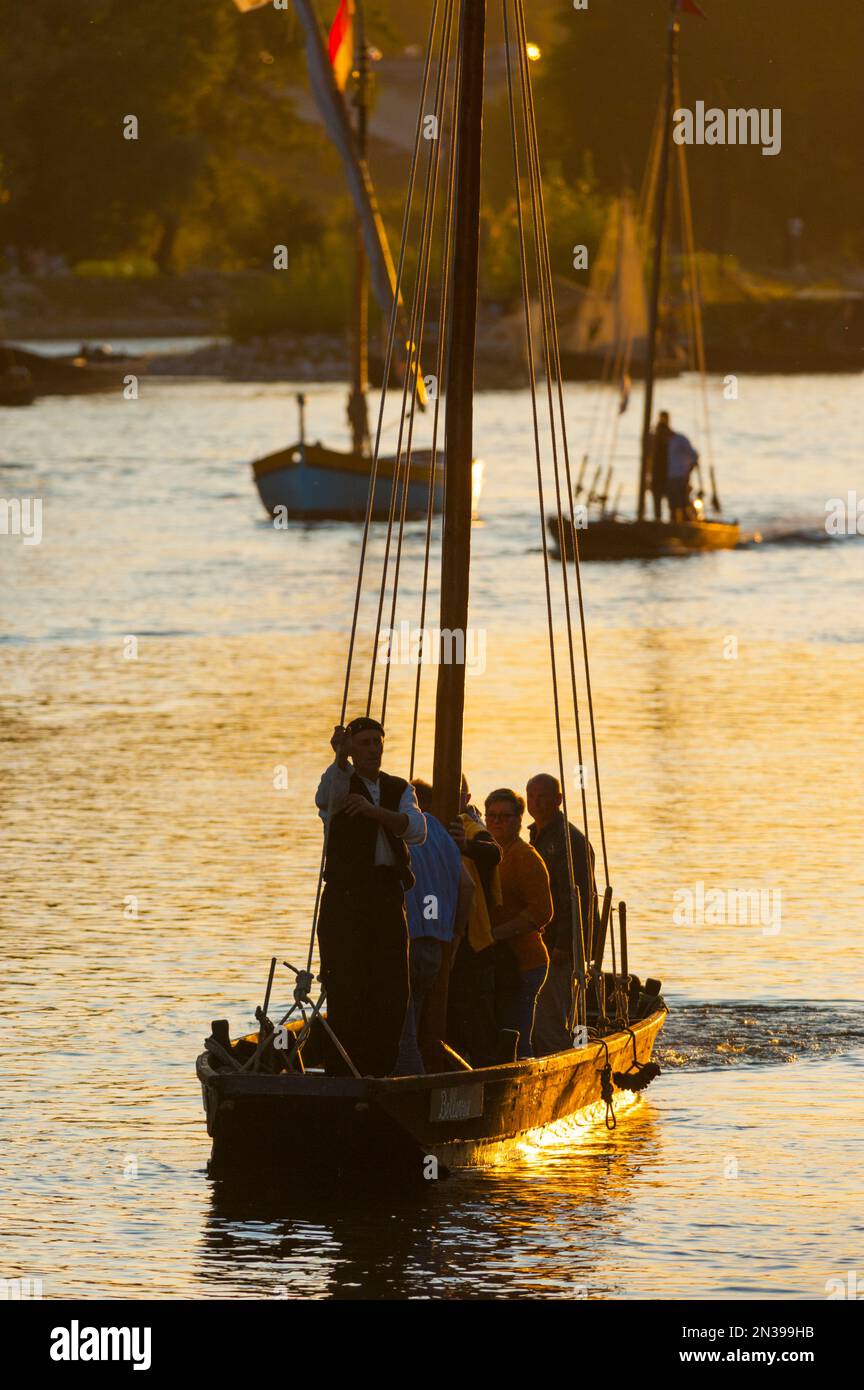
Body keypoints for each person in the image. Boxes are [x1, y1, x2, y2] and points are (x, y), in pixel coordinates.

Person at [315, 717, 426, 1077]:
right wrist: (339, 759)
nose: (373, 749)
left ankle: (380, 1069)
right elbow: (324, 798)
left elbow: (416, 829)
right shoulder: (340, 781)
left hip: (385, 897)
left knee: (392, 986)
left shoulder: (399, 788)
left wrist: (375, 812)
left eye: (377, 742)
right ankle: (345, 1070)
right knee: (346, 982)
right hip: (346, 898)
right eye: (364, 743)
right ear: (352, 747)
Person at [395, 780, 473, 1075]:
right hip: (435, 945)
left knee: (403, 1034)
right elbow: (468, 887)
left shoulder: (402, 830)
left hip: (406, 942)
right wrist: (455, 935)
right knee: (413, 1020)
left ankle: (409, 1086)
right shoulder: (441, 834)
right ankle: (420, 1077)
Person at [526, 774, 598, 1056]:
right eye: (532, 796)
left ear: (558, 800)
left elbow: (578, 898)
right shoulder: (536, 836)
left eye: (544, 796)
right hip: (540, 943)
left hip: (559, 946)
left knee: (551, 1017)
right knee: (541, 1014)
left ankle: (563, 1058)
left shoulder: (571, 842)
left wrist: (565, 946)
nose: (537, 802)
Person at [484, 788, 553, 1059]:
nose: (497, 821)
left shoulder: (526, 857)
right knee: (497, 1029)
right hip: (499, 961)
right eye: (492, 816)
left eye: (505, 816)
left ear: (518, 820)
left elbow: (542, 912)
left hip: (526, 961)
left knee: (517, 1032)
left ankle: (525, 1078)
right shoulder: (488, 852)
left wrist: (496, 933)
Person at [446, 775, 503, 1066]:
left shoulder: (472, 830)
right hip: (439, 937)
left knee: (476, 1015)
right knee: (445, 1012)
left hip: (473, 943)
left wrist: (463, 845)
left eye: (456, 793)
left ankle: (482, 1069)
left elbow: (493, 853)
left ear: (466, 798)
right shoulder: (423, 826)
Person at [666, 424, 700, 521]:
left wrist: (688, 473)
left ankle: (686, 524)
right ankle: (674, 525)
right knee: (673, 506)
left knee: (683, 504)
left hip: (681, 478)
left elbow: (694, 456)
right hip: (671, 478)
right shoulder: (668, 442)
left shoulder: (680, 439)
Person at [650, 411, 672, 521]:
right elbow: (649, 457)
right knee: (657, 502)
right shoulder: (654, 436)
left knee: (672, 503)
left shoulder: (671, 436)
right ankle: (657, 520)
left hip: (667, 475)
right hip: (656, 474)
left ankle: (673, 522)